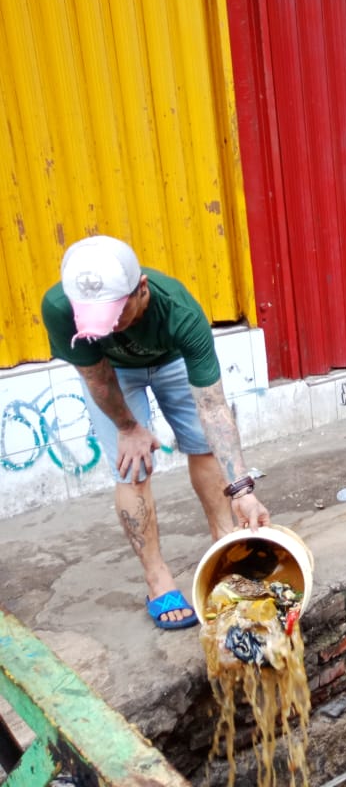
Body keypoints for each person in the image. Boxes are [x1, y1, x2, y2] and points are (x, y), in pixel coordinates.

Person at [41, 236, 271, 630]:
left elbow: (213, 408)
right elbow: (96, 377)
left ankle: (225, 544)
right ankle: (156, 578)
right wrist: (127, 427)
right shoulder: (61, 307)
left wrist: (244, 490)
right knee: (132, 466)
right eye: (95, 319)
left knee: (203, 446)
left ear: (141, 289)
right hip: (111, 375)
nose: (106, 328)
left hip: (171, 359)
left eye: (115, 314)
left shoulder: (180, 312)